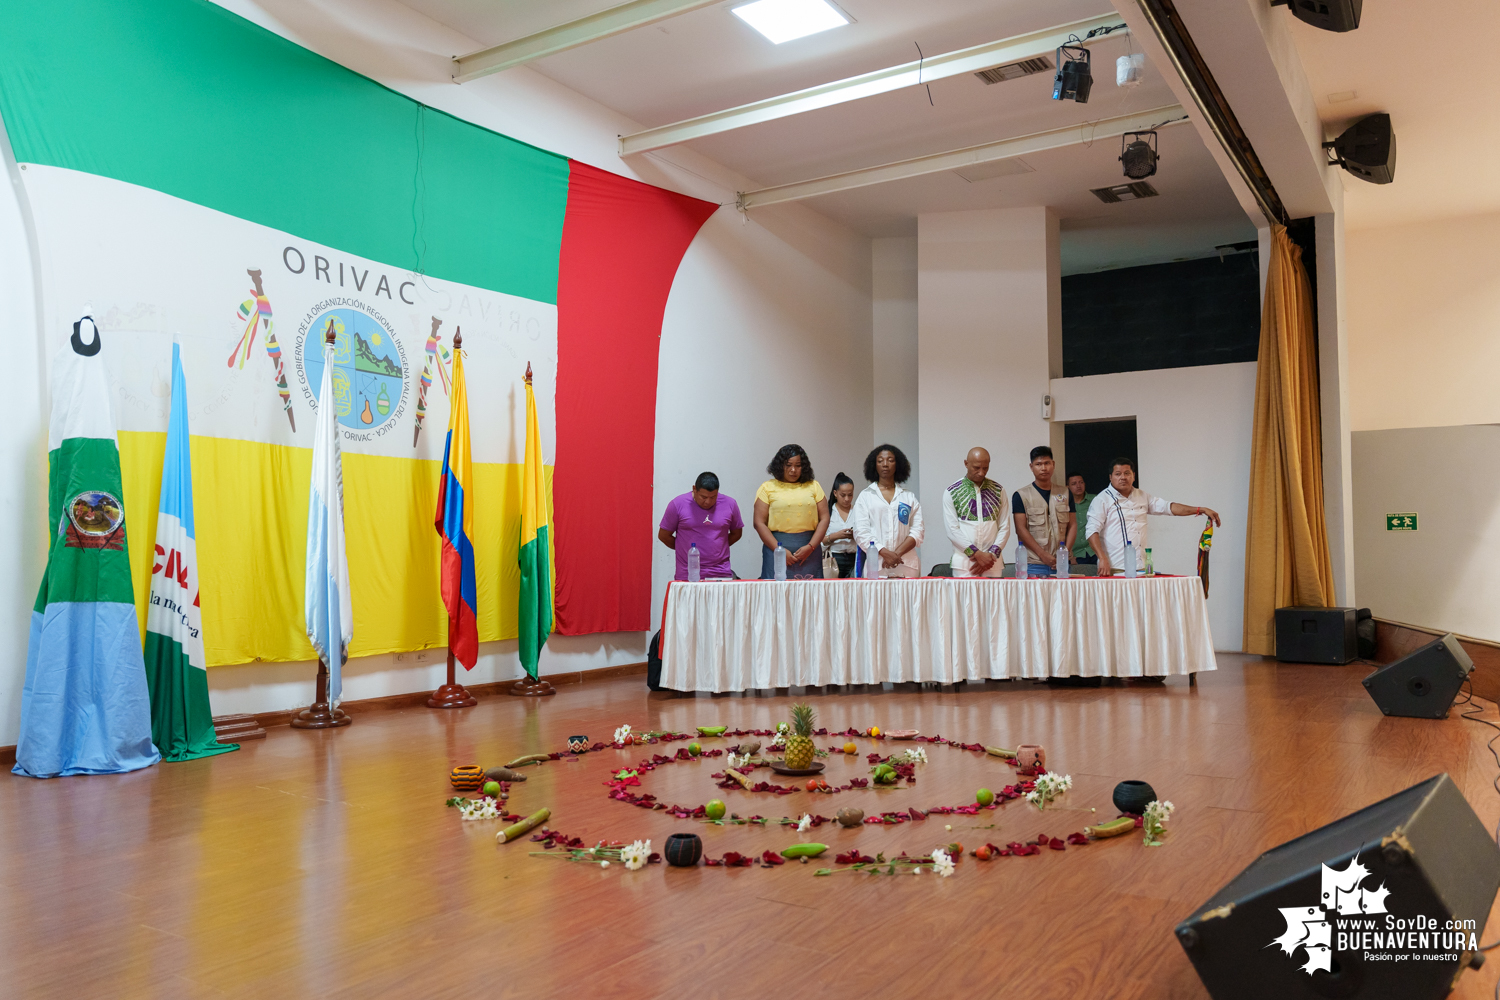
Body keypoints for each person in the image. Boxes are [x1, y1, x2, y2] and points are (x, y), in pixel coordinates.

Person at [1085, 457, 1222, 576]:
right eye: (1118, 474)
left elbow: (1169, 507)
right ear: (1110, 477)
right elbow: (1092, 531)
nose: (1123, 477)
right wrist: (1102, 558)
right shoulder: (1102, 500)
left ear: (1133, 475)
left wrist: (1200, 509)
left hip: (1142, 568)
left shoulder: (1142, 496)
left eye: (1127, 473)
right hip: (1115, 567)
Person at [753, 443, 830, 579]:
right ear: (780, 466)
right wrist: (779, 550)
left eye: (798, 465)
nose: (793, 470)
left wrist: (810, 547)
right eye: (788, 465)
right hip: (776, 550)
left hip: (809, 551)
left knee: (809, 597)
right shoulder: (767, 487)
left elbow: (824, 518)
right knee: (776, 596)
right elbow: (759, 523)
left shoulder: (814, 486)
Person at [851, 444, 924, 578]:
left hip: (906, 564)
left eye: (890, 460)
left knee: (907, 599)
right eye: (880, 461)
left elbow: (918, 531)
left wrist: (896, 554)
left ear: (898, 464)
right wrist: (884, 552)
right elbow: (861, 532)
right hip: (877, 565)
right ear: (874, 465)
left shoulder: (908, 497)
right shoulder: (865, 496)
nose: (885, 464)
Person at [658, 471, 743, 581]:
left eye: (713, 497)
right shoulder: (677, 504)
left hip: (720, 572)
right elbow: (664, 535)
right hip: (688, 573)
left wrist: (718, 548)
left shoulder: (730, 504)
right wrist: (683, 548)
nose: (708, 501)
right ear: (694, 489)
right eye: (703, 497)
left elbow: (737, 533)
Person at [942, 447, 1011, 578]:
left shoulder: (998, 490)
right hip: (964, 562)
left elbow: (1005, 527)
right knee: (965, 599)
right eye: (976, 468)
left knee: (993, 599)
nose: (981, 472)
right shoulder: (952, 492)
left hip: (993, 562)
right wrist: (977, 555)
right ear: (966, 463)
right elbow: (952, 530)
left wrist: (991, 555)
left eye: (985, 468)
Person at [1011, 446, 1075, 577]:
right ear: (1031, 467)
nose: (1044, 468)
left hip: (1062, 564)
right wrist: (1042, 555)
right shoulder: (1021, 495)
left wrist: (1064, 553)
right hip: (1034, 563)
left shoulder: (1065, 493)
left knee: (1063, 598)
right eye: (1038, 464)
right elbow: (1020, 529)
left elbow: (1073, 525)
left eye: (1047, 463)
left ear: (1053, 464)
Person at [825, 473, 858, 578]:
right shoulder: (828, 512)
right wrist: (836, 536)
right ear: (835, 493)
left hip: (855, 558)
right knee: (833, 592)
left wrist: (855, 535)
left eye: (850, 495)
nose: (847, 499)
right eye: (843, 495)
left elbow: (867, 536)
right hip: (833, 558)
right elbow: (818, 541)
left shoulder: (858, 511)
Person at [1067, 472, 1097, 565]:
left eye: (1081, 482)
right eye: (1074, 484)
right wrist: (1069, 556)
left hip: (1095, 552)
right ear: (1067, 487)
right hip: (1076, 555)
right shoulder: (1064, 505)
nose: (1078, 486)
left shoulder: (1096, 500)